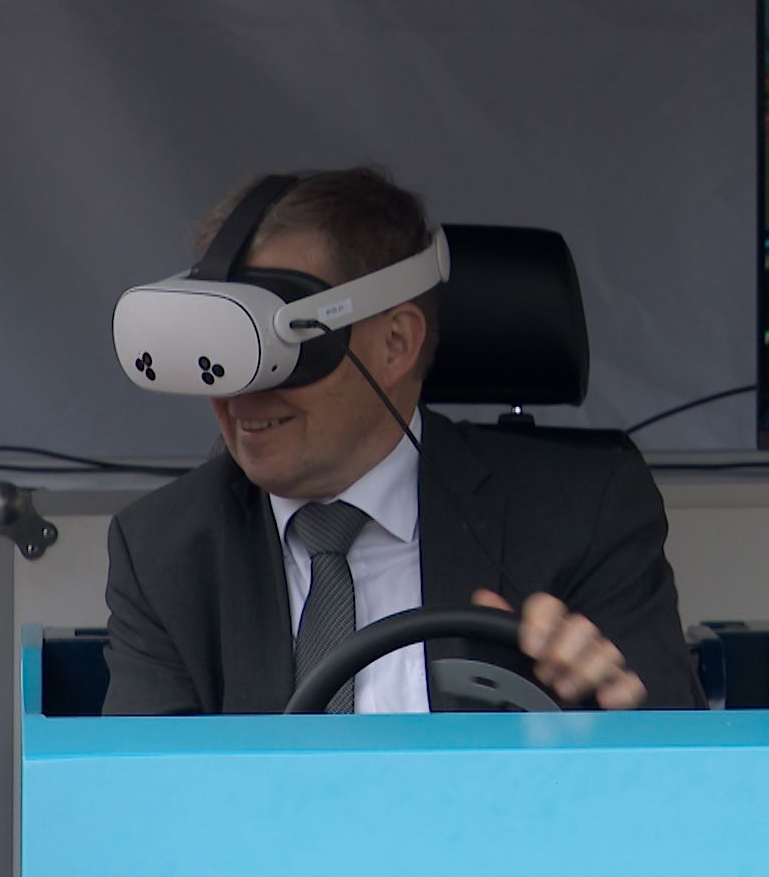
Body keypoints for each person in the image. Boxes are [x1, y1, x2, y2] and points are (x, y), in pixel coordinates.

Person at [102, 167, 699, 713]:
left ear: (395, 344)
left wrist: (603, 710)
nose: (243, 394)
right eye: (220, 355)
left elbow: (674, 763)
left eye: (284, 350)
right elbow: (146, 787)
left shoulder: (581, 515)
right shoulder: (164, 552)